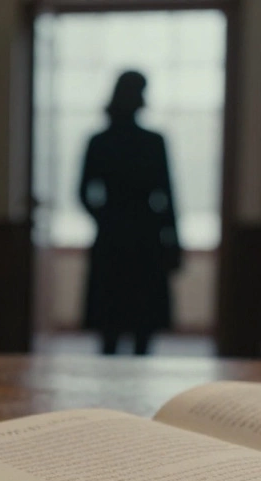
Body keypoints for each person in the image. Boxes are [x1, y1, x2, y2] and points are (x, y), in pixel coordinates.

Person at [78, 70, 181, 355]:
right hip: (144, 235)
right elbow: (167, 197)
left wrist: (105, 218)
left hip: (117, 236)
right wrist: (171, 238)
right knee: (137, 323)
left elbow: (83, 193)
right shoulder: (152, 142)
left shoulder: (101, 141)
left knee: (114, 322)